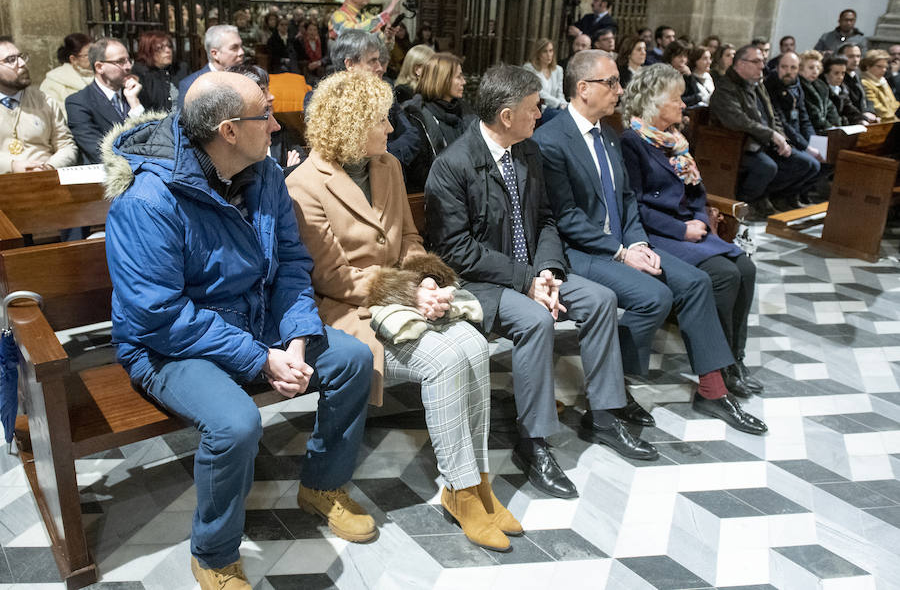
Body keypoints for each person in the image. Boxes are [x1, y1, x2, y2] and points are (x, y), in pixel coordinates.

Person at [102, 71, 375, 589]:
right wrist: (260, 358)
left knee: (353, 360)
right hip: (168, 346)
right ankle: (214, 554)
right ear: (228, 130)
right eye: (264, 115)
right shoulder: (147, 200)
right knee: (235, 424)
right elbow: (158, 314)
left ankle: (323, 484)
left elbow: (291, 262)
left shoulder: (264, 173)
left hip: (255, 320)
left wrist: (296, 339)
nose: (276, 124)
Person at [287, 70, 522, 552]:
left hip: (404, 296)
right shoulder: (303, 186)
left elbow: (411, 239)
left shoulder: (387, 165)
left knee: (473, 344)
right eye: (381, 120)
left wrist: (427, 280)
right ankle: (458, 490)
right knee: (443, 360)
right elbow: (332, 278)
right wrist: (409, 292)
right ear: (352, 126)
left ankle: (478, 483)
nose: (391, 129)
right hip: (349, 312)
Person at [426, 64, 656, 501]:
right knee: (535, 321)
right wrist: (527, 280)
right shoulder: (453, 165)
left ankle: (605, 415)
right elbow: (457, 251)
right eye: (533, 108)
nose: (541, 114)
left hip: (533, 272)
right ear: (507, 116)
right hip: (481, 283)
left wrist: (549, 270)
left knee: (600, 299)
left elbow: (547, 220)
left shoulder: (527, 150)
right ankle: (534, 442)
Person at [534, 51, 765, 433]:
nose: (620, 90)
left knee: (697, 283)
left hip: (622, 243)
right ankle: (613, 391)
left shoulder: (607, 136)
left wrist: (638, 244)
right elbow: (567, 217)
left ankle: (713, 390)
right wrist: (621, 252)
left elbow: (627, 200)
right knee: (655, 297)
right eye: (611, 82)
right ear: (583, 88)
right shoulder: (551, 140)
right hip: (579, 251)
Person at [619, 64, 763, 395]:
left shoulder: (676, 141)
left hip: (690, 228)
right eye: (677, 98)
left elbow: (697, 191)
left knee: (746, 268)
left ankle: (735, 359)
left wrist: (699, 218)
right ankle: (720, 367)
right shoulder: (632, 142)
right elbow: (635, 205)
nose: (683, 105)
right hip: (657, 233)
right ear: (654, 101)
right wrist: (681, 229)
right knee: (724, 275)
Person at [709, 45, 820, 218]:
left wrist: (781, 137)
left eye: (763, 61)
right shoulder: (725, 88)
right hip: (737, 145)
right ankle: (743, 202)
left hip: (762, 141)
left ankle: (771, 197)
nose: (762, 66)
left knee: (808, 164)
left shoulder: (757, 84)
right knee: (767, 167)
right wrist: (772, 135)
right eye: (756, 61)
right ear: (740, 64)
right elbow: (739, 121)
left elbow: (772, 115)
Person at [331, 30, 423, 188]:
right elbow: (340, 152)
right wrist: (378, 155)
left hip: (388, 179)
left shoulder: (383, 94)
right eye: (373, 61)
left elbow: (412, 136)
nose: (380, 67)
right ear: (350, 64)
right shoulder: (325, 102)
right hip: (345, 184)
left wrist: (381, 156)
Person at [0, 36, 77, 173]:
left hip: (45, 178)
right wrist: (11, 166)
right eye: (11, 60)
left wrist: (49, 167)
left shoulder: (46, 101)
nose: (22, 63)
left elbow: (66, 146)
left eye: (21, 57)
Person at [66, 38, 145, 164]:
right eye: (120, 61)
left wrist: (135, 104)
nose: (128, 66)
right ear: (99, 67)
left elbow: (154, 139)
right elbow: (98, 151)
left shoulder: (137, 93)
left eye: (129, 60)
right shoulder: (78, 103)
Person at [403, 52, 476, 188]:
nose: (464, 82)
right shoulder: (415, 115)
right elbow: (417, 172)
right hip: (434, 192)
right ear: (442, 79)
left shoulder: (467, 111)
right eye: (458, 77)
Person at [763, 52, 822, 204]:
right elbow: (781, 122)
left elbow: (804, 118)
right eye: (784, 67)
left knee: (824, 159)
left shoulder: (796, 85)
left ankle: (791, 195)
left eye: (793, 68)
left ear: (798, 69)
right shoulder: (770, 86)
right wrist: (805, 146)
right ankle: (774, 196)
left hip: (796, 137)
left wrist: (814, 142)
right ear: (777, 67)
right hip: (780, 138)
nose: (788, 71)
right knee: (809, 164)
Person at [226, 62, 304, 174]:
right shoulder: (230, 141)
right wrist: (285, 173)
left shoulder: (279, 129)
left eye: (268, 89)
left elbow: (301, 160)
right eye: (262, 91)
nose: (272, 96)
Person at [178, 24, 245, 101]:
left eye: (241, 46)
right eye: (234, 48)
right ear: (215, 54)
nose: (241, 52)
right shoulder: (191, 85)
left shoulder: (247, 78)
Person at [132, 30, 188, 112]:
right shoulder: (141, 74)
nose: (168, 51)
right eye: (160, 48)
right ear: (148, 51)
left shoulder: (180, 69)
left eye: (169, 46)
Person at [39, 33, 94, 110]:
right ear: (73, 59)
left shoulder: (102, 75)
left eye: (96, 52)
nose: (95, 57)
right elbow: (52, 111)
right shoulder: (53, 82)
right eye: (89, 54)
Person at [798, 50, 841, 133]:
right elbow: (812, 113)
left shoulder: (821, 86)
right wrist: (829, 127)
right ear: (800, 69)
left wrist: (836, 125)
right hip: (808, 130)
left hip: (825, 129)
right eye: (811, 68)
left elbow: (830, 107)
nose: (815, 71)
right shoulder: (800, 86)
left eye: (818, 68)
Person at [522, 38, 566, 110]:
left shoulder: (558, 69)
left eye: (550, 51)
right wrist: (558, 103)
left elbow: (560, 93)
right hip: (538, 108)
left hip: (556, 108)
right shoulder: (529, 68)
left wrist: (564, 104)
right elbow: (538, 92)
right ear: (538, 54)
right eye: (545, 51)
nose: (549, 55)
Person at [822, 55, 866, 126]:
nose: (840, 77)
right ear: (826, 74)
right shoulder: (821, 90)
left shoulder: (842, 89)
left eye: (843, 73)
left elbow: (849, 109)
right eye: (836, 73)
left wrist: (860, 119)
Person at [838, 43, 877, 122]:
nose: (855, 60)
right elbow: (846, 104)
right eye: (850, 56)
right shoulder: (837, 78)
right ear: (840, 57)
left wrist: (870, 112)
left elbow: (867, 98)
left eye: (858, 56)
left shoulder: (856, 76)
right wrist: (862, 116)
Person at [860, 49, 900, 123]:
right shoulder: (865, 82)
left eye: (885, 67)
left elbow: (893, 102)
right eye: (879, 66)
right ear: (868, 66)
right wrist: (893, 117)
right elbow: (875, 107)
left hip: (893, 120)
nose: (884, 70)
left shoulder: (882, 80)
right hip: (882, 122)